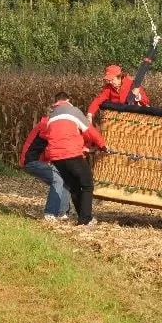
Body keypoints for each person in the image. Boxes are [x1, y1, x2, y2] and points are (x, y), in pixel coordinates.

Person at [44, 92, 107, 226]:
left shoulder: (51, 116)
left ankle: (83, 218)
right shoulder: (73, 111)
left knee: (74, 187)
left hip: (56, 157)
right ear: (68, 100)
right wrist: (102, 145)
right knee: (87, 184)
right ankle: (86, 219)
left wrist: (84, 147)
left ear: (56, 102)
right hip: (71, 154)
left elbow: (59, 135)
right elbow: (89, 131)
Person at [19, 113, 72, 221]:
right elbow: (54, 145)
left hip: (41, 162)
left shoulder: (52, 125)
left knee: (66, 178)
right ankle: (50, 213)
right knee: (57, 180)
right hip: (31, 162)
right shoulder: (45, 125)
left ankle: (62, 213)